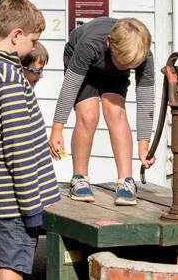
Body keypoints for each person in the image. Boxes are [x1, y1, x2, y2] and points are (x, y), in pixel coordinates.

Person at [0, 0, 61, 280]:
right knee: (14, 265)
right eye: (33, 41)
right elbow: (18, 148)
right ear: (16, 36)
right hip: (16, 198)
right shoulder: (10, 78)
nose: (33, 47)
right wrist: (31, 205)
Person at [48, 17, 156, 205]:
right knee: (88, 116)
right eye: (123, 63)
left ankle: (126, 182)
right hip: (84, 65)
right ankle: (79, 178)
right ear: (109, 42)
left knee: (115, 112)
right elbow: (70, 87)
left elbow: (145, 99)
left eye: (129, 67)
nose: (125, 68)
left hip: (114, 73)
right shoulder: (90, 43)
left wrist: (144, 146)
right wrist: (57, 130)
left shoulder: (141, 54)